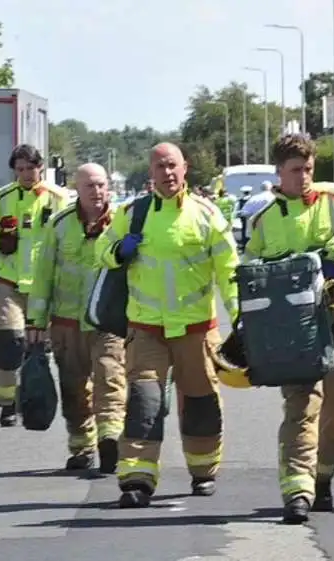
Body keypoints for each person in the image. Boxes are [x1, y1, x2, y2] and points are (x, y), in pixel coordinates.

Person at [244, 134, 334, 524]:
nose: (304, 177)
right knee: (302, 408)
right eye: (295, 170)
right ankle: (297, 491)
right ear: (279, 172)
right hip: (294, 330)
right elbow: (250, 271)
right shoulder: (264, 219)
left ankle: (322, 474)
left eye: (308, 168)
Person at [95, 142, 240, 508]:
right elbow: (101, 250)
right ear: (151, 172)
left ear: (185, 168)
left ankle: (203, 471)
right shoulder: (133, 213)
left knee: (200, 405)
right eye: (160, 166)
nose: (167, 173)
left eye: (173, 165)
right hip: (146, 329)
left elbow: (229, 272)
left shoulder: (207, 214)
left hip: (195, 330)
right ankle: (137, 478)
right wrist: (118, 251)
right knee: (144, 403)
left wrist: (240, 319)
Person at [26, 163, 126, 473]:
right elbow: (43, 276)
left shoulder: (123, 223)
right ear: (76, 190)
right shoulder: (60, 226)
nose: (96, 192)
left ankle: (111, 439)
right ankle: (82, 447)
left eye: (101, 185)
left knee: (111, 378)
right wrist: (36, 321)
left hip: (108, 322)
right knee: (74, 388)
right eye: (89, 186)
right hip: (67, 323)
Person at [0, 144, 69, 427]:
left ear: (40, 167)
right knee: (10, 342)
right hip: (8, 284)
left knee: (40, 348)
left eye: (30, 168)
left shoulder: (59, 199)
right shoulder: (2, 199)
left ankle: (35, 398)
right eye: (20, 169)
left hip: (45, 287)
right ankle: (6, 402)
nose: (26, 174)